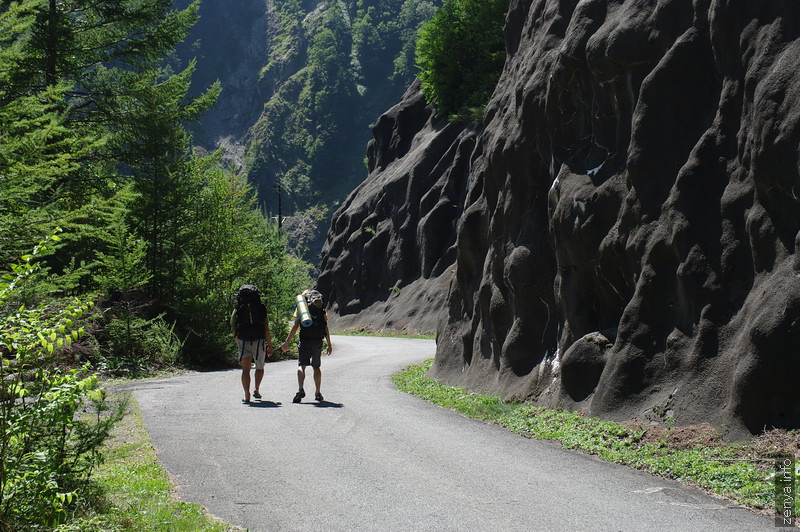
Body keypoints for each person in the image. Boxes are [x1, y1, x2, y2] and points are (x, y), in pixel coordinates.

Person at [279, 289, 332, 402]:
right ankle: (317, 393)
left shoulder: (302, 309)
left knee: (301, 366)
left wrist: (287, 342)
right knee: (316, 367)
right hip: (318, 341)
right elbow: (325, 327)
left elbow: (295, 326)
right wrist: (329, 344)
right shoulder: (321, 309)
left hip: (304, 341)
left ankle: (300, 389)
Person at [231, 285, 273, 403]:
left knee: (245, 370)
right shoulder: (261, 308)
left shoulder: (238, 309)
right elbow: (266, 329)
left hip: (243, 341)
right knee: (259, 367)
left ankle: (246, 394)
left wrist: (238, 341)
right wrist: (270, 345)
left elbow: (233, 328)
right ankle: (257, 389)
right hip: (259, 341)